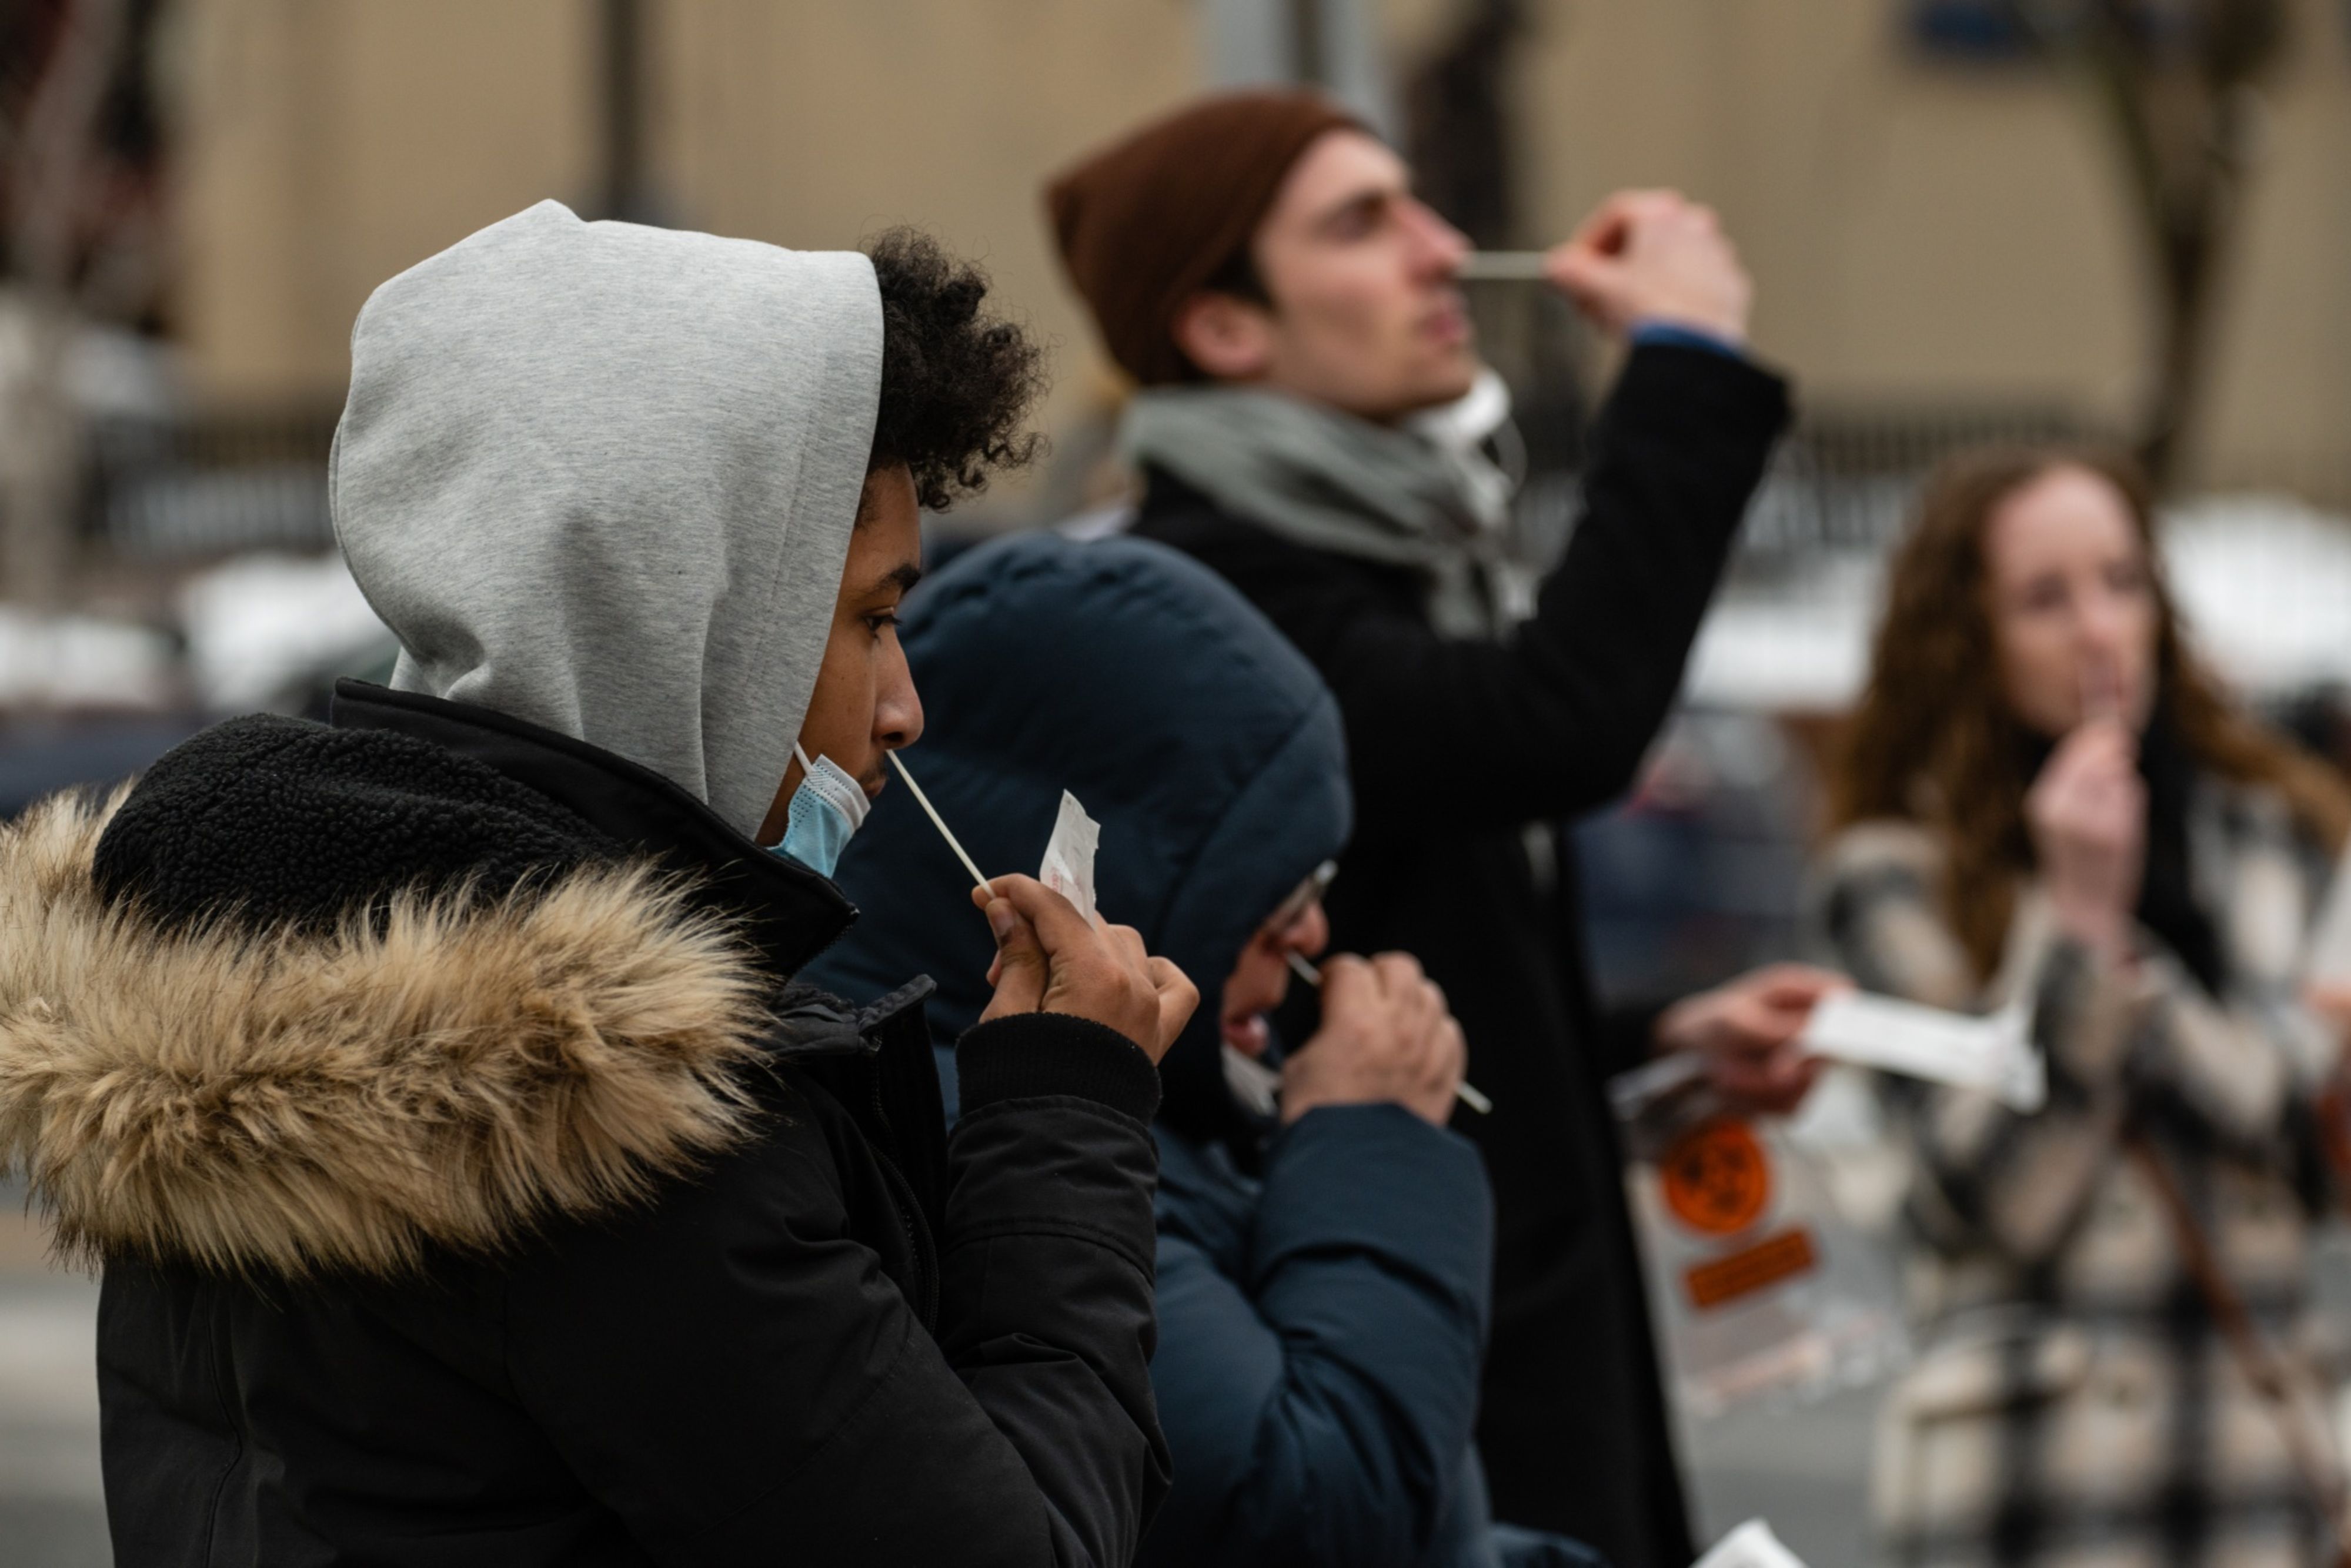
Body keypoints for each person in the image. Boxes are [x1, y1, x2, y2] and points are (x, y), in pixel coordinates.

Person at [0, 202, 1198, 1566]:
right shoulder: (604, 1122)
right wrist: (1064, 1119)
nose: (906, 706)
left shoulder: (238, 938)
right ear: (690, 609)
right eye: (873, 617)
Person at [1044, 89, 1838, 1560]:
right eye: (1363, 222)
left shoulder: (1392, 557)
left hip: (1496, 1342)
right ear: (1223, 327)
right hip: (1406, 1366)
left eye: (1419, 204)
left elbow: (1407, 963)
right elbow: (1552, 722)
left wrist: (1656, 1045)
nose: (1444, 252)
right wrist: (1680, 362)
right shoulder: (1221, 599)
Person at [806, 531, 1600, 1568]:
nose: (1312, 934)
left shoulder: (1150, 1111)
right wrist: (1378, 1139)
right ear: (1121, 878)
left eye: (1320, 883)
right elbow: (1304, 1511)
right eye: (1277, 886)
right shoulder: (999, 1130)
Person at [1815, 445, 2351, 1568]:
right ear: (1968, 641)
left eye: (2121, 582)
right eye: (2043, 600)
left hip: (2254, 1466)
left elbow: (2305, 1146)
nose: (2098, 630)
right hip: (2034, 1481)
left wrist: (2156, 1002)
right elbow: (1988, 1197)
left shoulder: (2272, 839)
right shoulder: (1897, 875)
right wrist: (2077, 925)